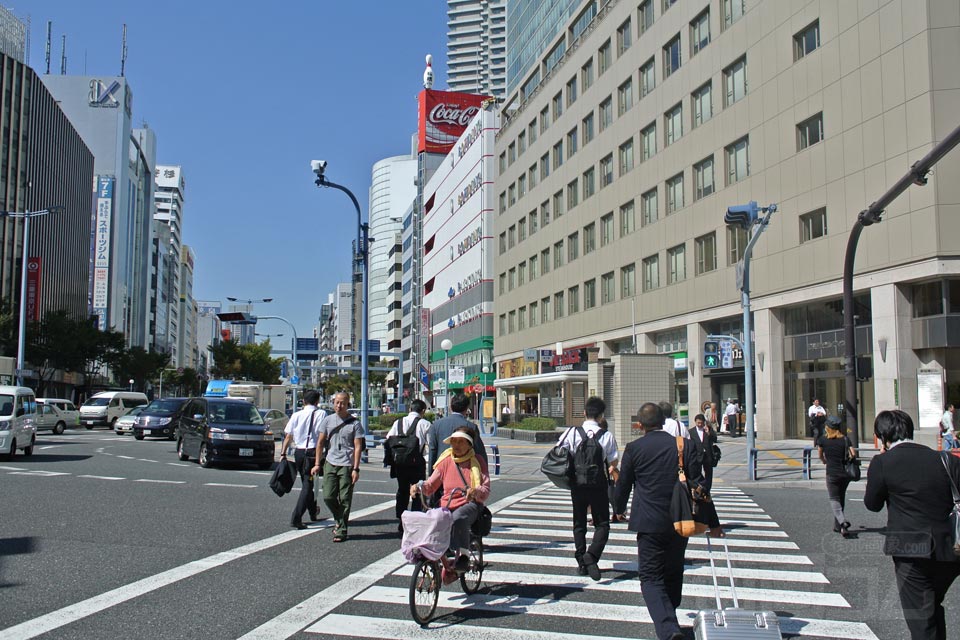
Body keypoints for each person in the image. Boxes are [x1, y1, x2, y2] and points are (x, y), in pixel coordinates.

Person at [615, 402, 710, 640]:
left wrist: (618, 508)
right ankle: (670, 615)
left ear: (640, 425)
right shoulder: (683, 444)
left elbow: (623, 484)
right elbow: (698, 481)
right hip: (681, 518)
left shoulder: (634, 448)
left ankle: (668, 629)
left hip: (648, 520)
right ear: (663, 421)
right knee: (674, 568)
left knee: (650, 577)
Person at [864, 409, 960, 640]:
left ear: (882, 436)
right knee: (932, 606)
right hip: (951, 547)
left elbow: (872, 504)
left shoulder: (883, 462)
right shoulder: (944, 458)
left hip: (911, 551)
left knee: (921, 619)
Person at [411, 427, 491, 572]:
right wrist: (419, 486)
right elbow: (431, 485)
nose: (456, 445)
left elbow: (485, 490)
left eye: (461, 442)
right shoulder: (446, 460)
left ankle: (464, 556)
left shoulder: (477, 461)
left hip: (470, 504)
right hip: (447, 504)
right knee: (431, 521)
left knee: (457, 517)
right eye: (453, 441)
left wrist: (474, 491)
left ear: (469, 444)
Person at [556, 396, 619, 580]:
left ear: (584, 413)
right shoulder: (606, 435)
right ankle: (591, 555)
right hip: (598, 484)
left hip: (577, 484)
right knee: (603, 524)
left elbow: (559, 449)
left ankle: (581, 562)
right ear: (601, 416)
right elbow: (614, 459)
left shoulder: (573, 432)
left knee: (579, 523)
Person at [311, 392, 364, 543]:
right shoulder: (327, 420)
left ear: (348, 405)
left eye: (343, 403)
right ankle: (339, 520)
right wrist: (317, 463)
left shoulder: (355, 424)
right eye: (337, 402)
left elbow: (358, 446)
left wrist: (356, 468)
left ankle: (341, 530)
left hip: (347, 465)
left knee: (345, 498)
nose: (339, 406)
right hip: (330, 462)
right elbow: (320, 443)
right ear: (333, 403)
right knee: (328, 496)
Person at [279, 389, 326, 530]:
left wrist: (283, 453)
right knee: (308, 484)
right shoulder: (321, 413)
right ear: (317, 401)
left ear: (304, 401)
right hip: (313, 452)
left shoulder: (296, 415)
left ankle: (312, 512)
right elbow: (323, 436)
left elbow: (288, 436)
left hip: (298, 452)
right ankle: (296, 517)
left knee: (307, 482)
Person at [385, 399, 431, 534]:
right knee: (417, 491)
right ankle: (415, 521)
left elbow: (388, 439)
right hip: (417, 463)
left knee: (402, 491)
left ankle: (401, 519)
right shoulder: (425, 424)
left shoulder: (398, 422)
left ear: (410, 409)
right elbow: (430, 445)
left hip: (400, 463)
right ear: (423, 411)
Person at [818, 415, 856, 538]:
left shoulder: (823, 440)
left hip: (832, 473)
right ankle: (838, 526)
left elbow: (820, 455)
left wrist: (824, 460)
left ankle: (843, 522)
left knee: (834, 499)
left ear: (828, 428)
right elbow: (853, 453)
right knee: (841, 498)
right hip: (844, 473)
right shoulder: (845, 439)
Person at [429, 393, 487, 474]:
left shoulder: (436, 425)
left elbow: (432, 450)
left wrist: (431, 474)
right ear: (467, 408)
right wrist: (484, 472)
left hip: (441, 471)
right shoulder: (471, 426)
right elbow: (479, 452)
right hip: (464, 471)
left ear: (451, 407)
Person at [688, 413, 717, 492]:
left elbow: (715, 439)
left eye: (701, 423)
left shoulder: (708, 429)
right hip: (697, 455)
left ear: (704, 422)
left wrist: (709, 433)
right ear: (695, 422)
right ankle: (699, 488)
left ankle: (707, 489)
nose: (700, 424)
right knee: (696, 472)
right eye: (698, 423)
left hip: (707, 455)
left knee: (709, 473)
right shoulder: (691, 431)